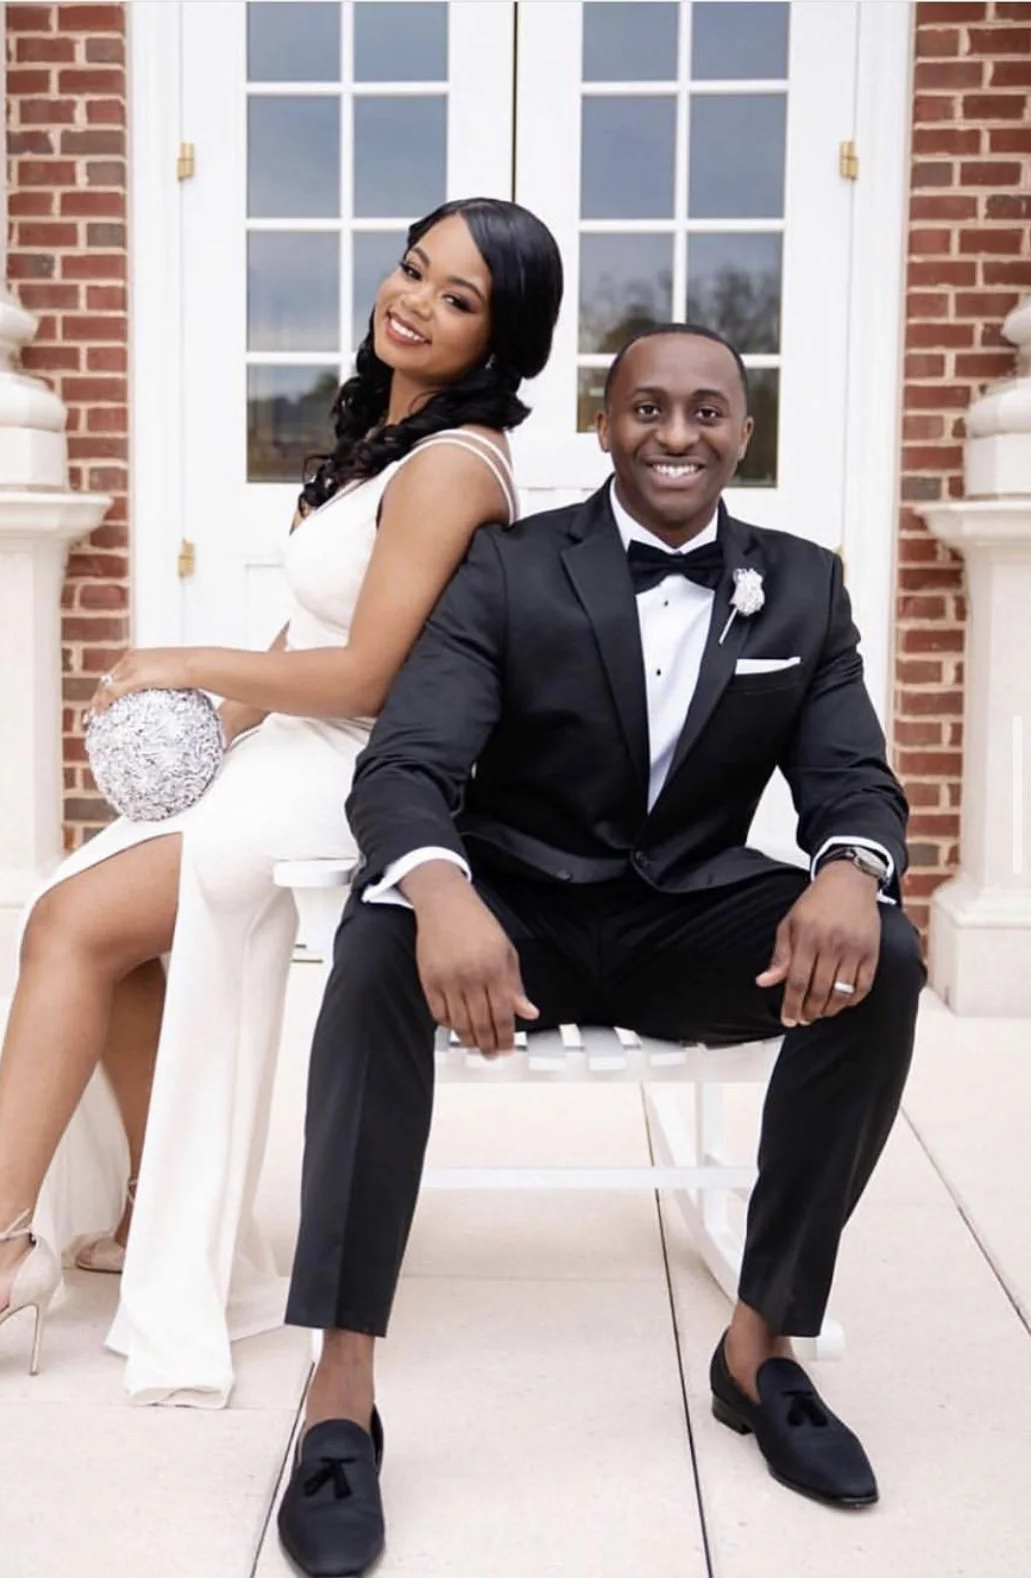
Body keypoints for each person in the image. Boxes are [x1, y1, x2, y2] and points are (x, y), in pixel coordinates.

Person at [0, 197, 564, 1405]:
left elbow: (368, 675)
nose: (412, 300)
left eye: (456, 299)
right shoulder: (388, 436)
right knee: (91, 923)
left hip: (357, 771)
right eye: (412, 270)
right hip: (291, 745)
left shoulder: (456, 468)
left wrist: (186, 663)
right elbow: (311, 631)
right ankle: (154, 1210)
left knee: (71, 925)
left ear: (497, 342)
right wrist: (197, 731)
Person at [276, 322, 923, 1576]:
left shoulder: (798, 582)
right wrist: (442, 891)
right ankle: (341, 1395)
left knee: (882, 956)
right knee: (372, 952)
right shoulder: (509, 568)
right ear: (603, 421)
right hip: (510, 909)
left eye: (705, 412)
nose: (675, 435)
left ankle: (760, 1349)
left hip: (683, 913)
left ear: (742, 430)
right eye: (646, 409)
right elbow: (407, 762)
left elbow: (852, 777)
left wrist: (850, 868)